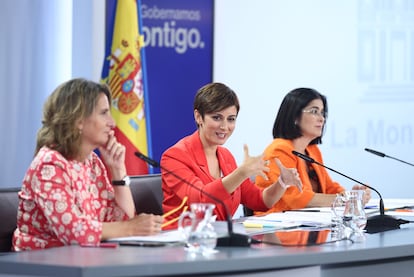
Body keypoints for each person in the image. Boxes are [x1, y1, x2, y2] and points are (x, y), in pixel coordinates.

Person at [12, 78, 163, 251]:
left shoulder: (92, 162)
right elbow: (73, 232)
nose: (112, 123)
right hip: (41, 265)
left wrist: (117, 170)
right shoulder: (49, 165)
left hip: (84, 260)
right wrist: (131, 227)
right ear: (79, 120)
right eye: (104, 113)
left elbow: (122, 219)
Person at [160, 82, 302, 229]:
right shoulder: (174, 156)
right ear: (198, 117)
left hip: (219, 239)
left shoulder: (225, 156)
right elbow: (201, 201)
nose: (224, 126)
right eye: (217, 117)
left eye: (231, 119)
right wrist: (241, 173)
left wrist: (282, 183)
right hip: (181, 241)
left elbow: (260, 201)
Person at [255, 87, 371, 215]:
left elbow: (328, 187)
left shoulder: (312, 150)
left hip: (308, 225)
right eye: (314, 111)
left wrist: (352, 195)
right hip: (276, 227)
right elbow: (295, 198)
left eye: (322, 113)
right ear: (295, 116)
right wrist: (346, 199)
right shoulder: (279, 150)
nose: (321, 119)